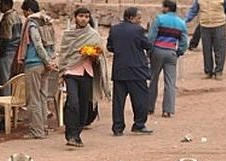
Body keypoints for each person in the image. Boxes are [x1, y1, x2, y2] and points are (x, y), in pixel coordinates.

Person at [58, 7, 110, 147]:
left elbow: (101, 57)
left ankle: (78, 133)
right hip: (71, 73)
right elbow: (64, 54)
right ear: (75, 17)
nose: (83, 19)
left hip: (87, 73)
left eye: (86, 17)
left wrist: (94, 55)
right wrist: (62, 71)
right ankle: (71, 135)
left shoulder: (94, 35)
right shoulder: (68, 35)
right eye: (81, 16)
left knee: (84, 106)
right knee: (72, 103)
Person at [106, 7, 153, 136]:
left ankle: (118, 127)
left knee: (118, 102)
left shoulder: (114, 29)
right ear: (131, 18)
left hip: (119, 70)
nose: (140, 21)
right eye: (138, 18)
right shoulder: (138, 30)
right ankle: (139, 124)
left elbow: (110, 47)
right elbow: (147, 45)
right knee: (141, 99)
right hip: (136, 70)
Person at [15, 0, 56, 139]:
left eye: (24, 11)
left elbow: (38, 46)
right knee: (42, 97)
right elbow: (52, 43)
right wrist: (50, 61)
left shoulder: (32, 24)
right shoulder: (47, 22)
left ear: (29, 11)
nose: (24, 14)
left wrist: (46, 61)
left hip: (34, 64)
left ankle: (36, 131)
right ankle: (43, 128)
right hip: (46, 65)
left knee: (33, 99)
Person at [147, 0, 188, 118]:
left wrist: (149, 51)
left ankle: (150, 107)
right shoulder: (181, 23)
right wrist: (179, 52)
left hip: (158, 51)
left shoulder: (159, 19)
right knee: (170, 82)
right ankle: (167, 110)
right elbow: (184, 42)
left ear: (167, 8)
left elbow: (151, 37)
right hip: (171, 52)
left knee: (153, 79)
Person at [184, 0, 226, 80]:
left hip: (219, 24)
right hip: (205, 26)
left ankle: (218, 71)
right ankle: (208, 71)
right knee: (206, 49)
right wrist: (185, 20)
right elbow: (193, 10)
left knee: (220, 49)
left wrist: (223, 17)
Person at [0, 0, 22, 95]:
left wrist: (1, 52)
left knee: (5, 78)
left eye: (1, 5)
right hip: (15, 50)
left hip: (7, 51)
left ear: (6, 5)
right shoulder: (17, 16)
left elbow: (6, 37)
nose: (0, 7)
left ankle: (5, 102)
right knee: (12, 77)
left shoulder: (7, 18)